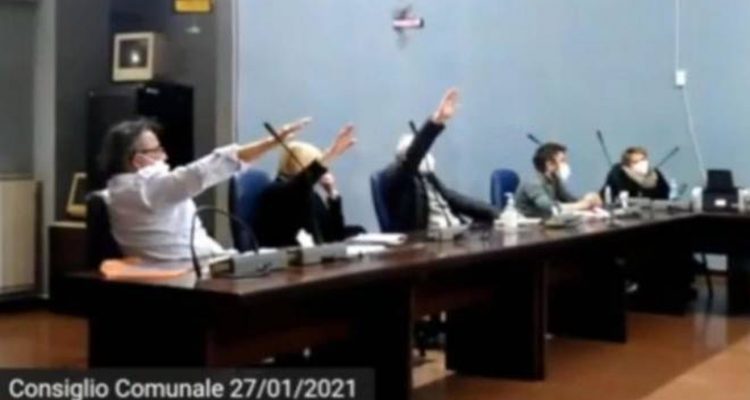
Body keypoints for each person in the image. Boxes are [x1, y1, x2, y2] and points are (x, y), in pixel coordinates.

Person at [99, 116, 309, 260]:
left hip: (198, 265)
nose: (165, 156)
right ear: (138, 160)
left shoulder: (117, 191)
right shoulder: (146, 188)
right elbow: (201, 172)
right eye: (157, 150)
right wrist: (268, 144)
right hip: (189, 273)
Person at [382, 88, 498, 232]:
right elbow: (413, 156)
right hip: (426, 240)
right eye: (423, 152)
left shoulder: (428, 177)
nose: (427, 156)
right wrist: (437, 120)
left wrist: (499, 214)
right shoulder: (397, 177)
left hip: (454, 233)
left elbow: (456, 199)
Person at [254, 124, 359, 247]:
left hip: (316, 253)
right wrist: (331, 153)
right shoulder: (276, 191)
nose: (323, 172)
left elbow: (333, 235)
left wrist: (332, 194)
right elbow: (300, 185)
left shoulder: (310, 193)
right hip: (288, 255)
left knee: (358, 231)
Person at [515, 142, 602, 218]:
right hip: (528, 226)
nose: (566, 164)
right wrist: (582, 205)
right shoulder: (533, 182)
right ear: (549, 164)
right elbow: (550, 207)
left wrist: (588, 199)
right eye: (562, 161)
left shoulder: (554, 178)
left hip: (547, 222)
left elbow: (569, 199)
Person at [602, 146, 669, 200]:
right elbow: (605, 194)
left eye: (643, 159)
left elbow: (665, 195)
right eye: (636, 162)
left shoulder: (656, 174)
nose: (642, 163)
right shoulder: (618, 174)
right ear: (628, 165)